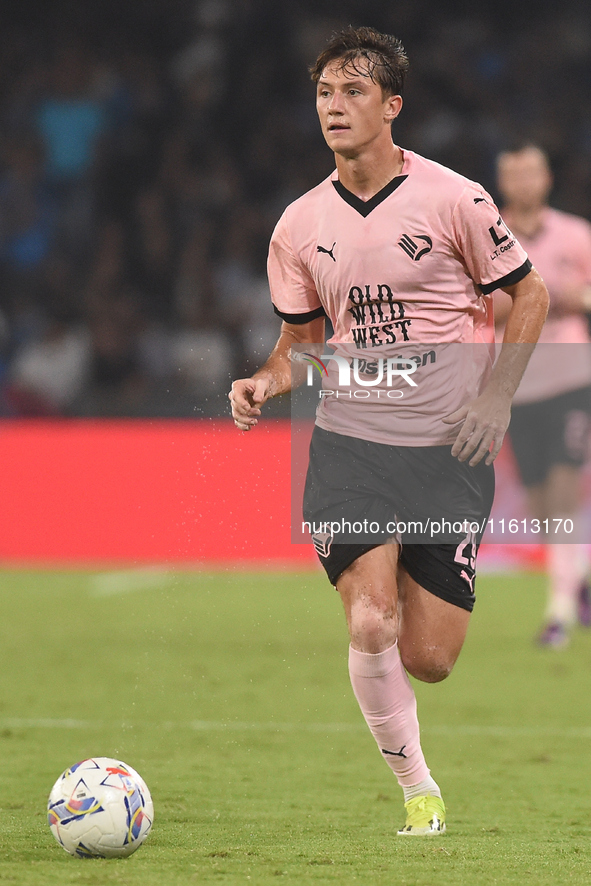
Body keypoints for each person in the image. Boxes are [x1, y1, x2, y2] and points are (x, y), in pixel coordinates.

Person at [230, 27, 549, 835]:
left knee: (429, 660)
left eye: (353, 92)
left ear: (391, 105)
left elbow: (531, 294)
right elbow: (299, 344)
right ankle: (418, 791)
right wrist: (267, 379)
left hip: (450, 446)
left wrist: (498, 398)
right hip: (349, 445)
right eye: (324, 94)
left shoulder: (454, 198)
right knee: (371, 619)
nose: (333, 108)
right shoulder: (298, 224)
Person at [494, 144, 591, 648]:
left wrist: (568, 297)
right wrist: (543, 298)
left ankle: (558, 616)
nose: (524, 181)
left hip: (572, 378)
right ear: (503, 182)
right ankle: (579, 582)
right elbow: (482, 312)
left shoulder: (577, 234)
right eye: (514, 174)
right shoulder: (491, 239)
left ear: (546, 177)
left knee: (561, 488)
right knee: (539, 502)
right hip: (518, 385)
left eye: (531, 171)